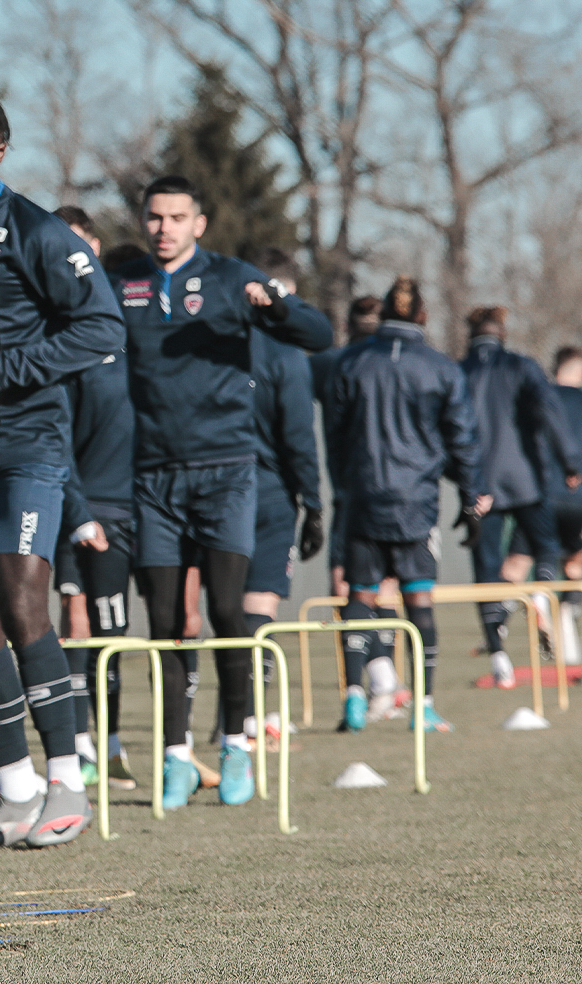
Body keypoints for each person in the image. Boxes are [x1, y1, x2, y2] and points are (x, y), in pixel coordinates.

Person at [0, 97, 123, 850]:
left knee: (23, 591)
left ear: (1, 150)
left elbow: (101, 325)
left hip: (29, 443)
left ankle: (69, 780)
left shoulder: (38, 231)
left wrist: (2, 378)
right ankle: (16, 790)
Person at [109, 177, 331, 811]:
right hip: (152, 479)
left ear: (199, 223)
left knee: (229, 616)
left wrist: (278, 306)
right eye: (155, 217)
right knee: (167, 624)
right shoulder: (125, 285)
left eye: (178, 217)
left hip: (228, 473)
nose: (165, 228)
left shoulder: (235, 278)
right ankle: (177, 757)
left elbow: (319, 336)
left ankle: (237, 745)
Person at [328, 278, 490, 733]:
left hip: (362, 499)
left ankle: (355, 697)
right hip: (415, 504)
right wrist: (471, 501)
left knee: (359, 595)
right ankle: (422, 704)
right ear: (423, 316)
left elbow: (335, 437)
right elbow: (462, 440)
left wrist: (345, 487)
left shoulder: (351, 362)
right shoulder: (440, 368)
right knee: (418, 600)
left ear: (382, 316)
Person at [48, 206, 139, 791]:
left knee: (107, 626)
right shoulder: (49, 333)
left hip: (118, 507)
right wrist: (76, 511)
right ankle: (74, 743)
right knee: (70, 618)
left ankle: (108, 742)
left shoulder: (123, 329)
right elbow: (48, 435)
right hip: (60, 500)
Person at [460, 307, 581, 688]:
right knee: (545, 546)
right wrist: (570, 460)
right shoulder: (522, 366)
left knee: (486, 568)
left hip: (481, 485)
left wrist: (464, 482)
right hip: (527, 480)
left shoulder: (459, 371)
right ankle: (541, 594)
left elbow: (447, 430)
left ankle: (498, 654)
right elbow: (550, 411)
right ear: (502, 333)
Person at [240, 249, 324, 738]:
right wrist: (312, 503)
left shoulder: (215, 339)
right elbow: (299, 437)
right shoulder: (287, 353)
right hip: (267, 491)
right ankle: (250, 715)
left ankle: (219, 724)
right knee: (260, 606)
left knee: (215, 608)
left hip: (206, 486)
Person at [504, 348, 582, 663]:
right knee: (573, 565)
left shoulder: (536, 400)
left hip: (537, 497)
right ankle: (567, 623)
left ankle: (499, 628)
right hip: (578, 498)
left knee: (516, 566)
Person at [312, 298, 404, 719]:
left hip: (348, 491)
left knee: (347, 585)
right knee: (388, 586)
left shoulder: (332, 364)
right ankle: (384, 680)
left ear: (347, 325)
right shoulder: (400, 362)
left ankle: (356, 687)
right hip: (400, 491)